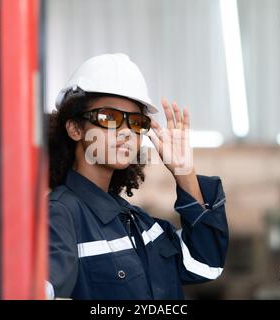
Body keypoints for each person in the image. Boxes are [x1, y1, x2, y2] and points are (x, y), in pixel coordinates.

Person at [46, 53, 228, 299]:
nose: (126, 132)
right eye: (109, 118)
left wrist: (184, 172)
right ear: (75, 128)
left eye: (136, 122)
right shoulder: (61, 215)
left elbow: (206, 264)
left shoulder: (139, 223)